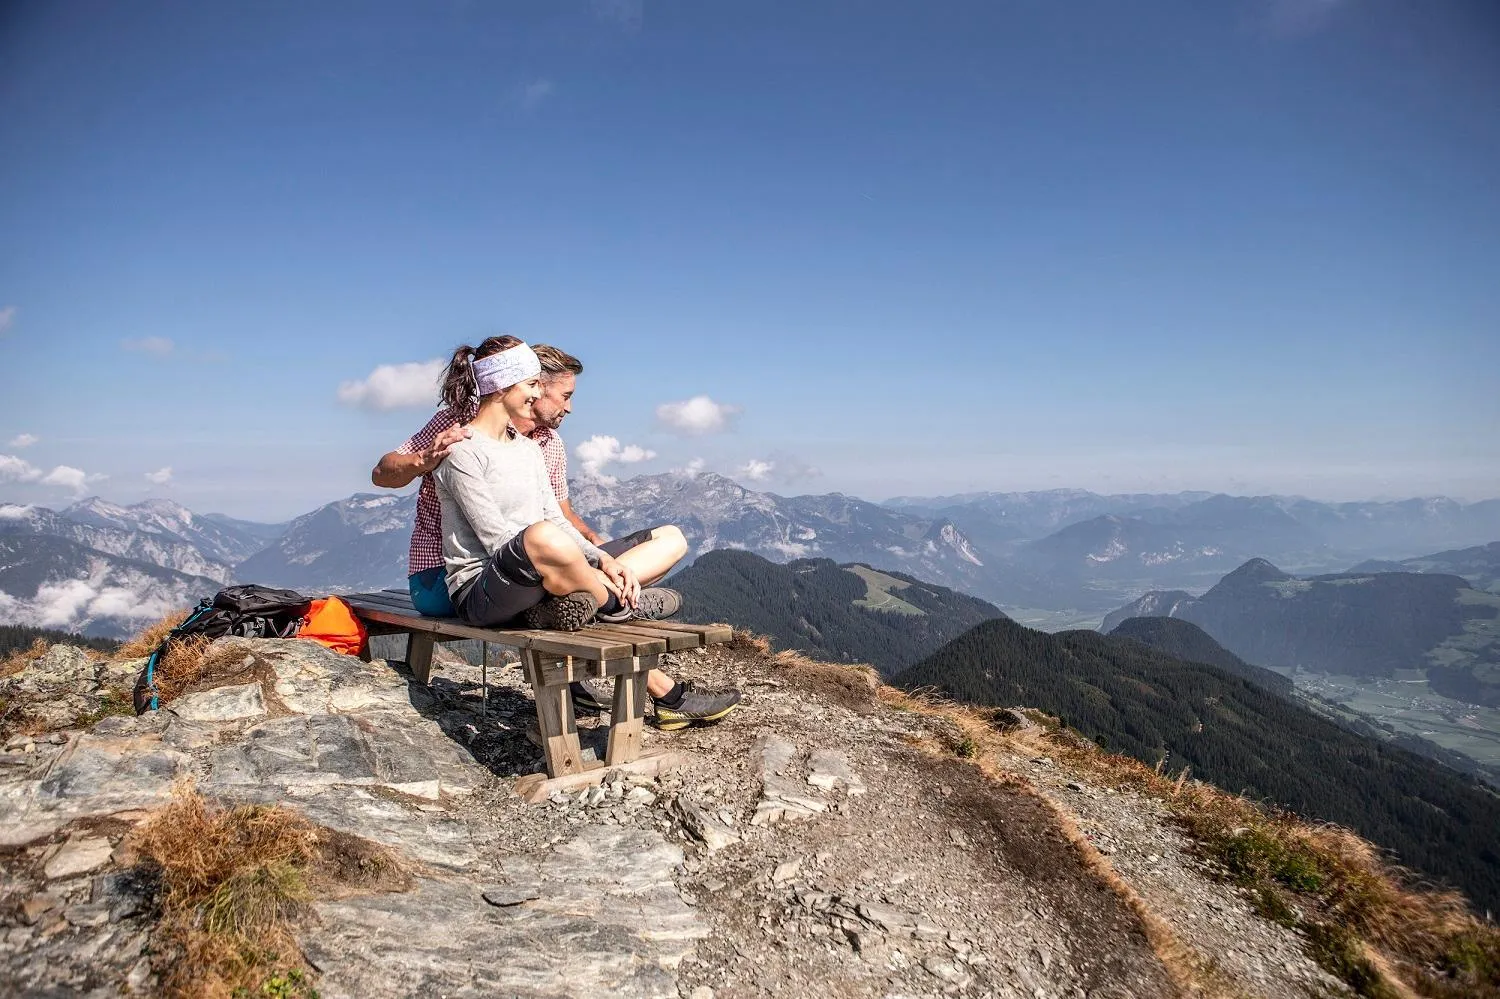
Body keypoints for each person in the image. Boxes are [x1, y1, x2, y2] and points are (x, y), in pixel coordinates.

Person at [372, 335, 739, 729]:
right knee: (545, 540)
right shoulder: (456, 439)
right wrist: (423, 459)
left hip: (533, 565)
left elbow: (559, 517)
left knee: (634, 541)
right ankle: (615, 608)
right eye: (549, 390)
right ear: (509, 386)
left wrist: (604, 558)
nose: (564, 404)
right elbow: (497, 537)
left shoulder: (537, 448)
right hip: (459, 579)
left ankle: (589, 598)